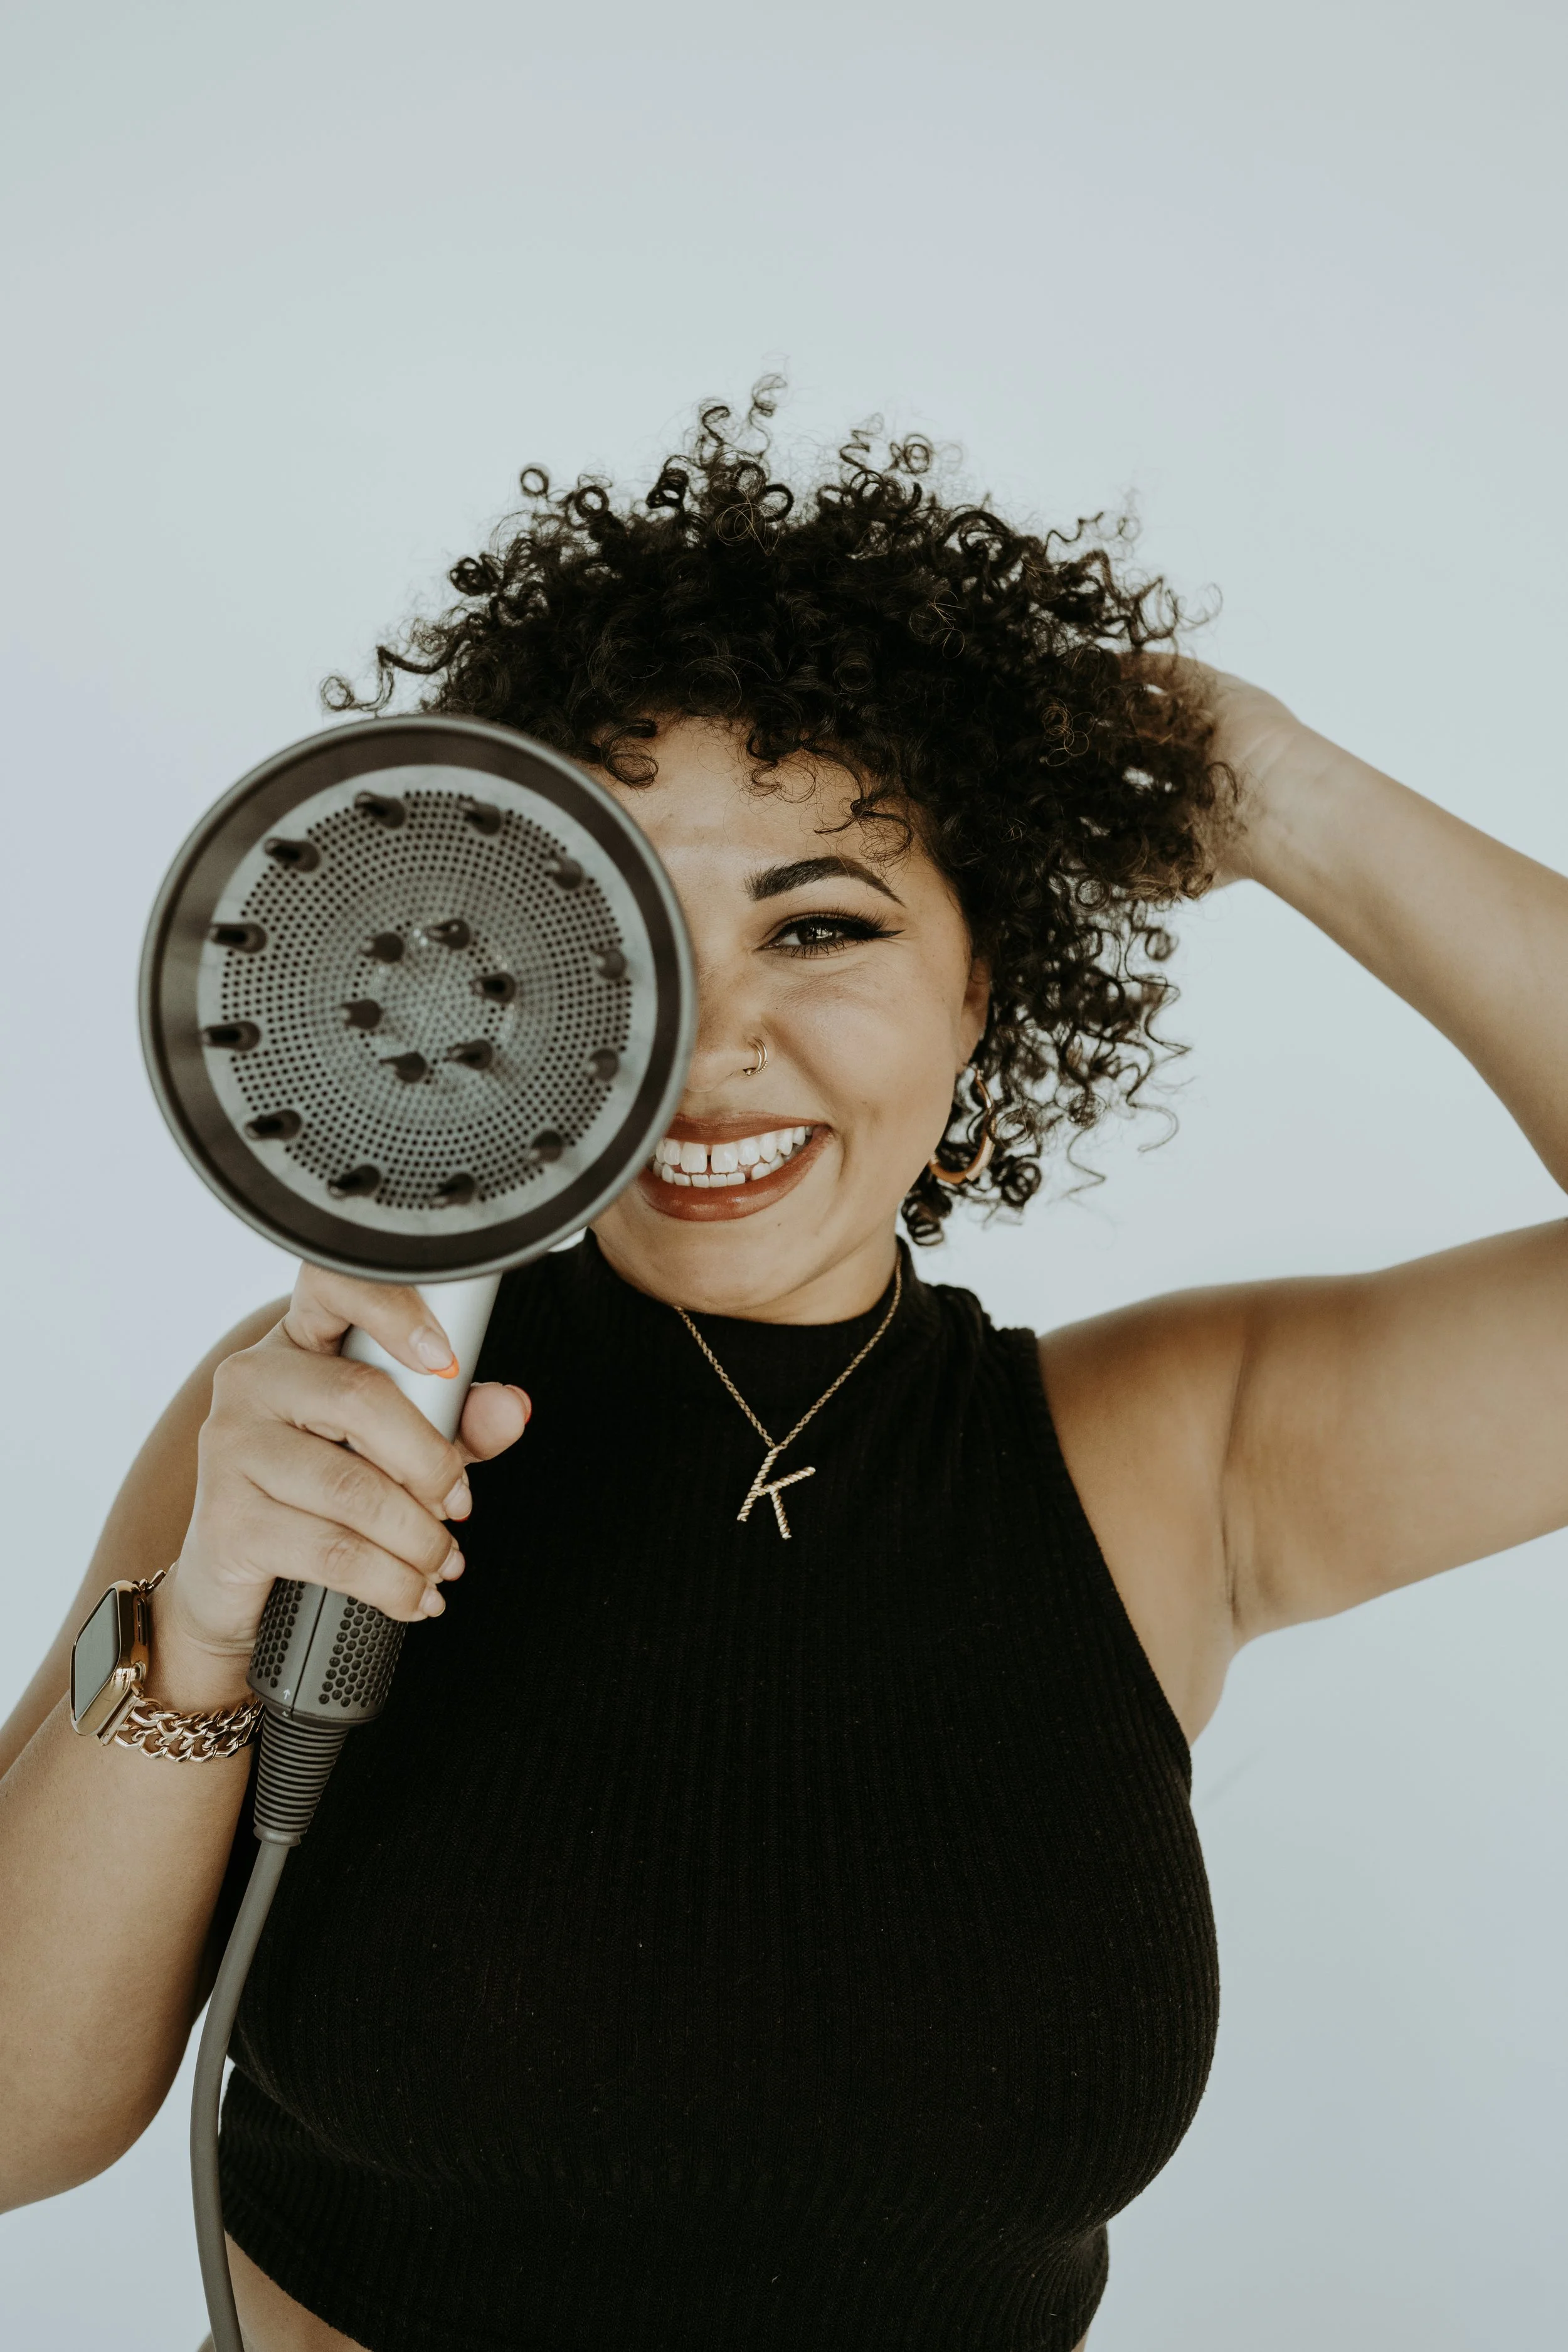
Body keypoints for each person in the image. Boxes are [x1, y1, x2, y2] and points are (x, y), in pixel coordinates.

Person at [3, 386, 1566, 2352]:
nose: (710, 1039)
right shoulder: (343, 1397)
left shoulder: (1182, 1457)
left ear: (985, 985)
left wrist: (1274, 791)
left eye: (819, 925)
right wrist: (205, 1634)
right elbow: (9, 2125)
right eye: (621, 932)